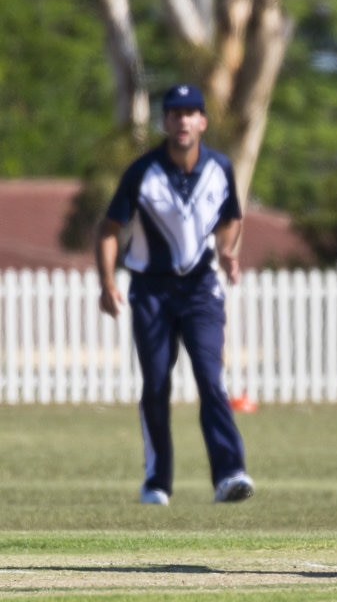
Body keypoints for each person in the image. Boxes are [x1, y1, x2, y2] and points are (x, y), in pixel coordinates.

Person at [95, 83, 254, 506]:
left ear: (202, 121)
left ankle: (229, 474)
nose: (183, 120)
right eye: (175, 113)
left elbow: (232, 218)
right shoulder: (142, 172)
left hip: (201, 288)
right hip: (151, 289)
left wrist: (225, 250)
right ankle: (156, 480)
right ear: (164, 121)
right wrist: (107, 281)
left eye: (191, 113)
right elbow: (110, 230)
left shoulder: (220, 168)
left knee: (209, 377)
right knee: (157, 383)